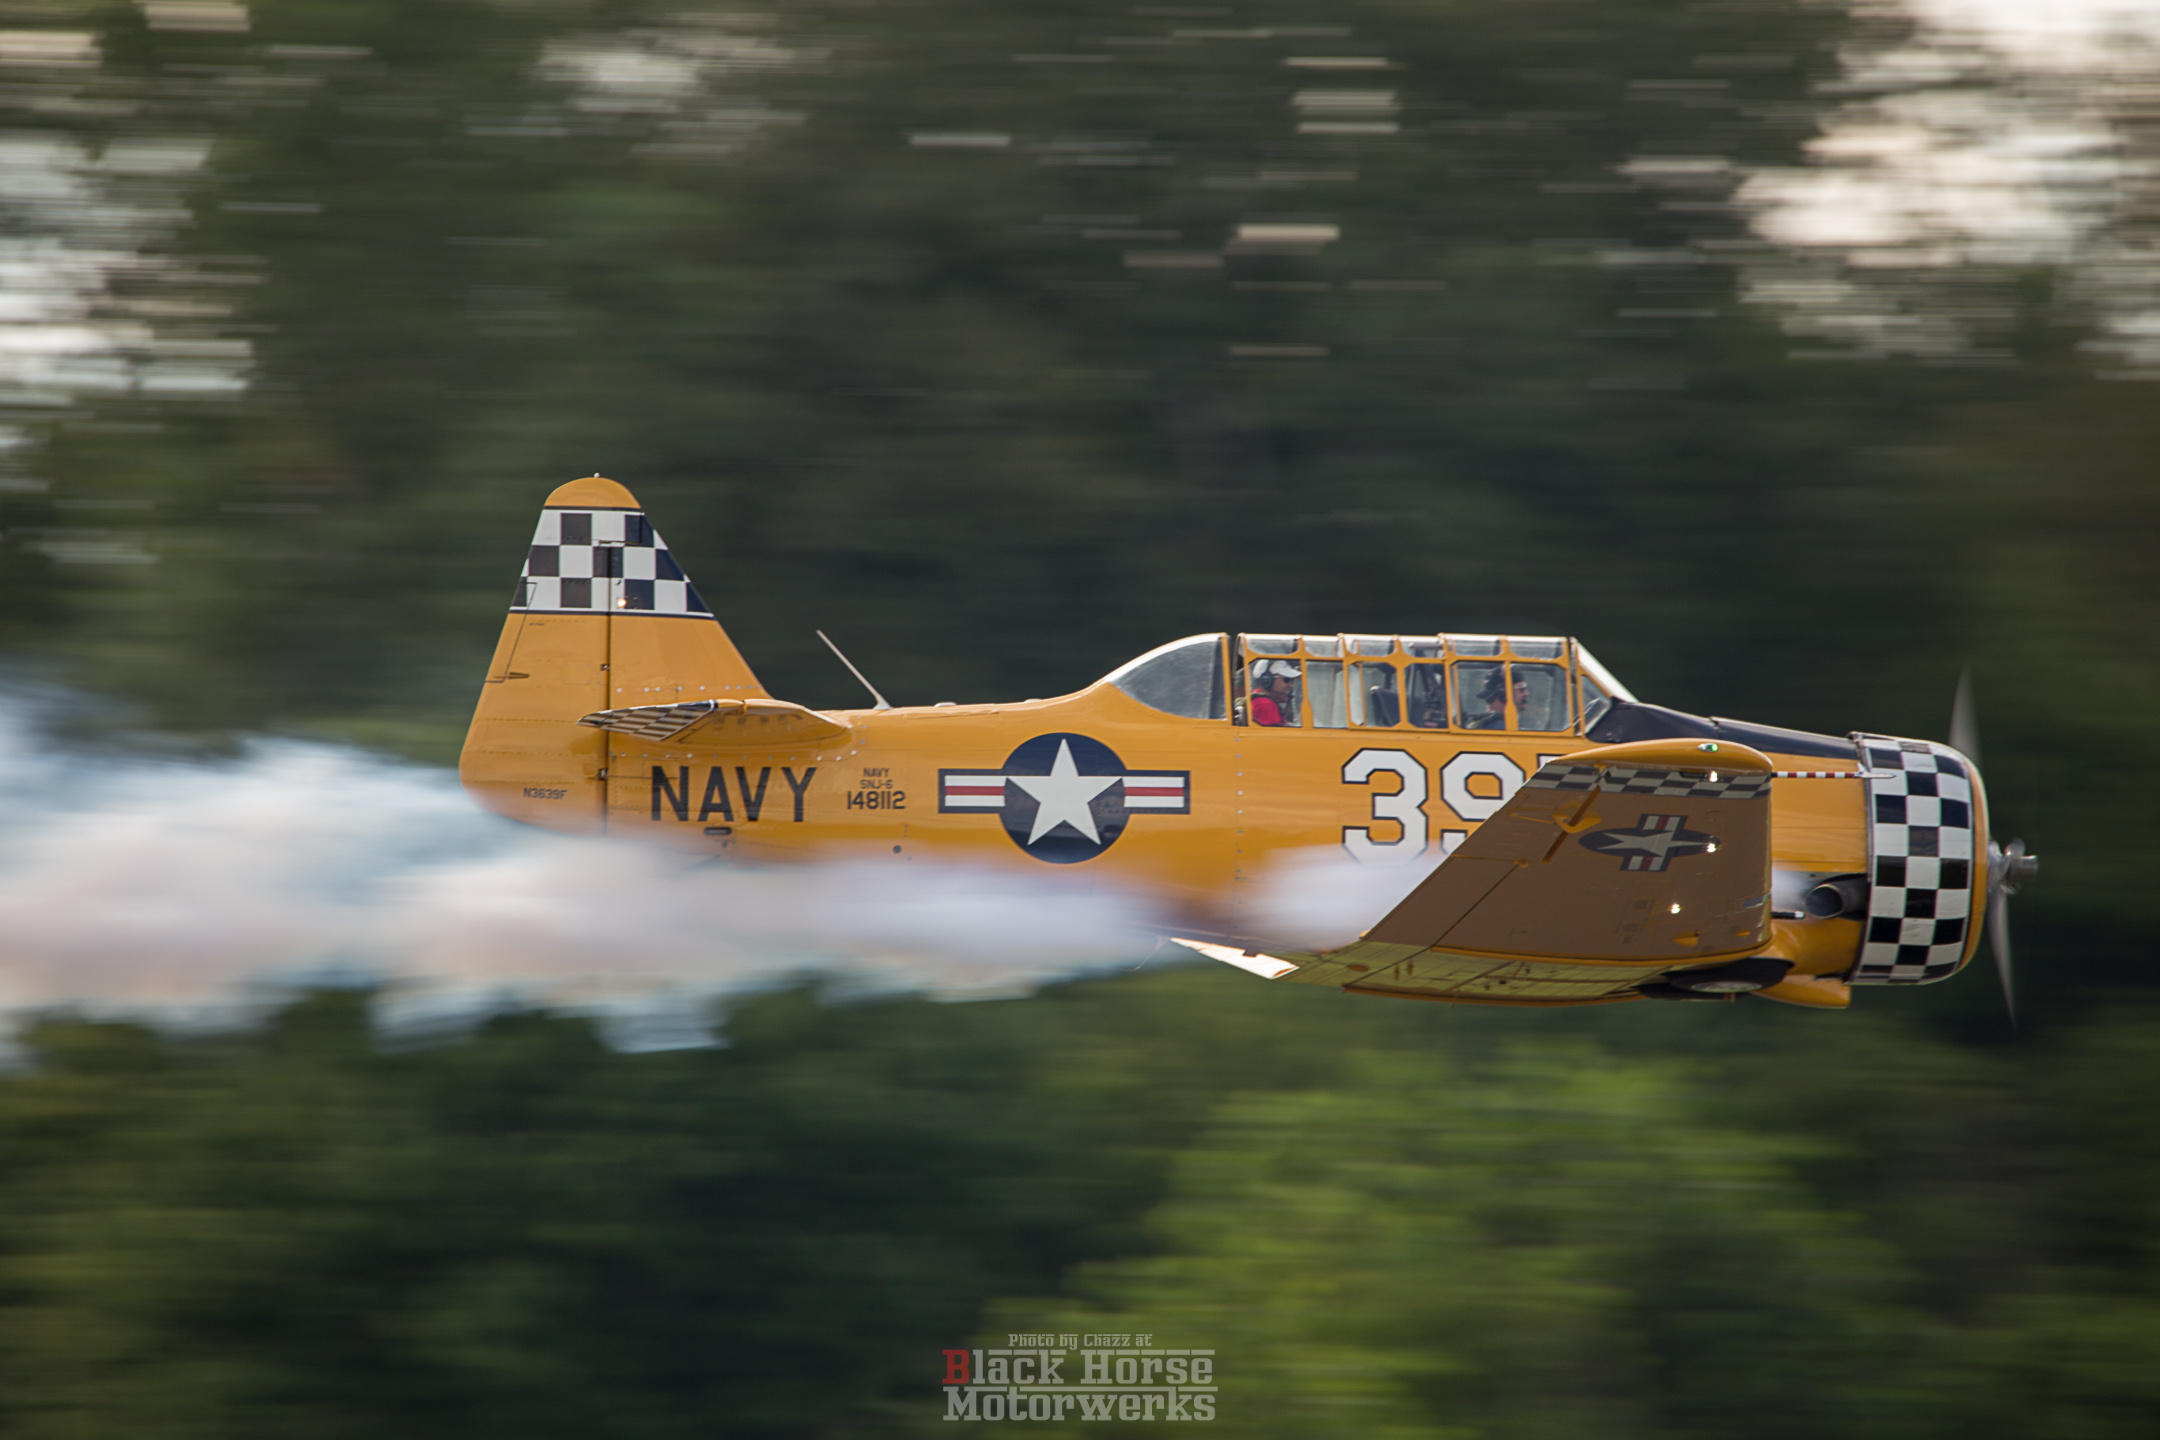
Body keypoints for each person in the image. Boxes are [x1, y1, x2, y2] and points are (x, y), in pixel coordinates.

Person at [1249, 661, 1297, 726]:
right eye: (1287, 679)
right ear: (1267, 680)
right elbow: (1275, 732)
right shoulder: (1265, 703)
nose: (1291, 685)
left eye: (1292, 681)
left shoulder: (1259, 700)